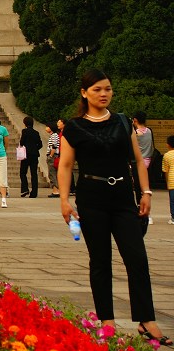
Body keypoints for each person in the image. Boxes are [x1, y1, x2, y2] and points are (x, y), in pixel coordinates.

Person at [59, 68, 169, 347]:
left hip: (122, 196)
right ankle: (106, 320)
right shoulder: (73, 127)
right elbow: (66, 165)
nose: (104, 94)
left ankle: (146, 319)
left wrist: (145, 192)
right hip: (91, 196)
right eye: (97, 89)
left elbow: (137, 159)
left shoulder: (122, 122)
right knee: (100, 260)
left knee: (137, 258)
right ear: (84, 93)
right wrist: (63, 200)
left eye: (107, 89)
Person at [18, 116, 43, 198]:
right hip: (34, 155)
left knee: (23, 172)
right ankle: (34, 192)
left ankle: (25, 189)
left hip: (26, 155)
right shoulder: (36, 132)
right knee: (34, 174)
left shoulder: (24, 131)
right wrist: (35, 148)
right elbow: (40, 144)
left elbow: (22, 142)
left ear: (25, 123)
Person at [46, 121, 61, 197]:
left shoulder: (54, 135)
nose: (46, 128)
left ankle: (55, 191)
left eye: (47, 126)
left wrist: (51, 156)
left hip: (53, 156)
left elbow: (54, 146)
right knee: (52, 173)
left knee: (52, 173)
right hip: (53, 155)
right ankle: (55, 190)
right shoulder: (53, 135)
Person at [162, 135, 174, 225]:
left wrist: (167, 182)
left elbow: (165, 170)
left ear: (168, 145)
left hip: (172, 181)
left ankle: (173, 218)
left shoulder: (166, 155)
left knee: (172, 200)